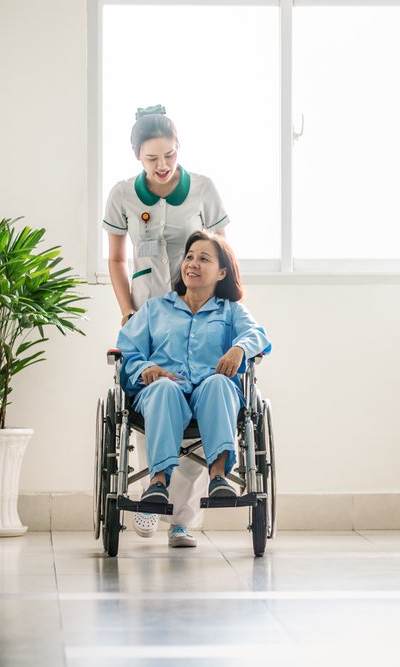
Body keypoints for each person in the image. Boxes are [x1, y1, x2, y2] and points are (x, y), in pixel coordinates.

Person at [102, 105, 231, 548]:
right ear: (137, 155)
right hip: (150, 314)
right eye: (153, 158)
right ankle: (150, 494)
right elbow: (117, 259)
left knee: (200, 397)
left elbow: (223, 255)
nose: (163, 167)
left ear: (179, 150)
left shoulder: (204, 191)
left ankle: (180, 518)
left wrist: (230, 310)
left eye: (170, 156)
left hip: (199, 309)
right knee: (156, 395)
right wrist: (126, 311)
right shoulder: (122, 195)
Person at [116, 231, 271, 514]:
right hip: (163, 392)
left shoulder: (231, 311)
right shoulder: (155, 309)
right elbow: (126, 350)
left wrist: (239, 349)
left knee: (219, 384)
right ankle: (158, 483)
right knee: (164, 387)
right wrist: (146, 368)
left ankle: (219, 477)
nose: (192, 264)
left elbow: (257, 335)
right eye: (189, 257)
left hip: (211, 397)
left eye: (203, 258)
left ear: (222, 271)